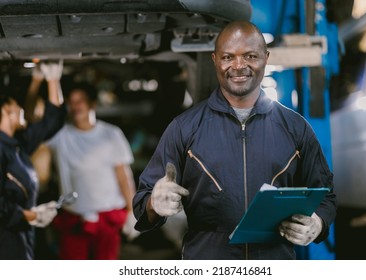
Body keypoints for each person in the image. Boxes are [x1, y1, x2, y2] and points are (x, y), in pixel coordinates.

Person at [133, 20, 337, 260]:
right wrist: (154, 204)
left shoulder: (296, 128)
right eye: (228, 57)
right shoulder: (184, 128)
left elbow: (326, 197)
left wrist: (318, 223)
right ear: (215, 60)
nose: (239, 66)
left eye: (250, 56)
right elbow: (142, 202)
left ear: (266, 56)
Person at [46, 82, 138, 260]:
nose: (75, 106)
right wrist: (53, 80)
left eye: (80, 100)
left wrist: (131, 211)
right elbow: (45, 118)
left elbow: (123, 175)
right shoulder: (60, 135)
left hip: (107, 218)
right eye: (71, 102)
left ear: (92, 104)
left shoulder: (111, 134)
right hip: (73, 219)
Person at [0, 62, 66, 260]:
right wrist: (33, 215)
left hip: (20, 236)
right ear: (6, 111)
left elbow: (51, 122)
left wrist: (53, 79)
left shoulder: (16, 145)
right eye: (16, 105)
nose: (21, 109)